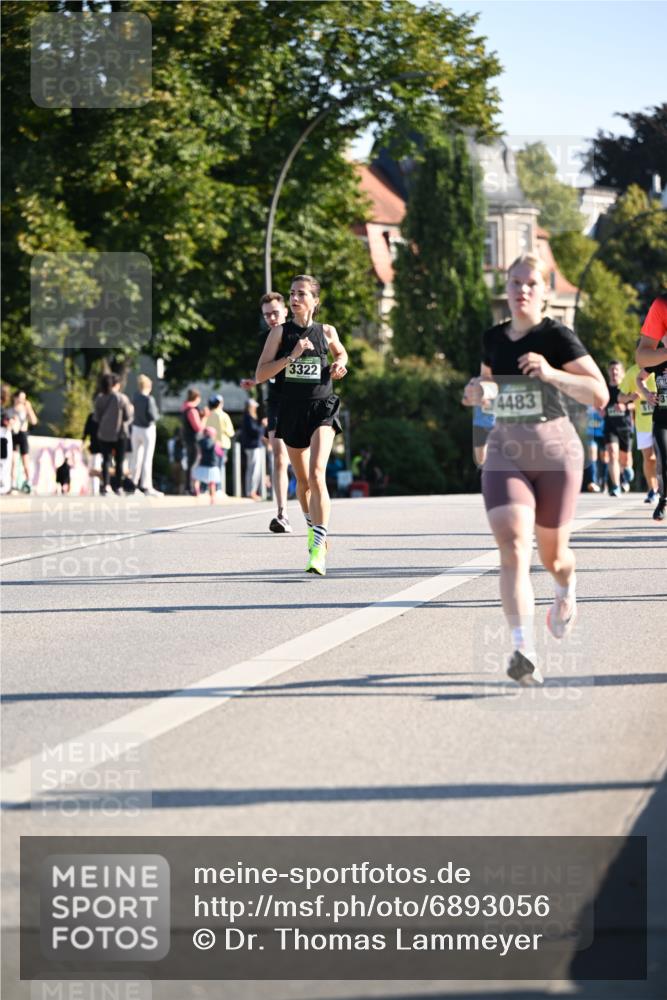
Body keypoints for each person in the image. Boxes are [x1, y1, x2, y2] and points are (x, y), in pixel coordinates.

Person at [462, 253, 608, 686]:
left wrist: (551, 373)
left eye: (530, 283)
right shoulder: (493, 338)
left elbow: (598, 394)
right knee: (512, 546)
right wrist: (477, 393)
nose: (522, 290)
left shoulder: (557, 337)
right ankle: (523, 650)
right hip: (506, 449)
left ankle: (566, 587)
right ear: (505, 289)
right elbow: (488, 386)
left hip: (556, 454)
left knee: (553, 558)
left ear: (544, 291)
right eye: (515, 282)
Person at [255, 273, 348, 576]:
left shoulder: (327, 330)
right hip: (292, 409)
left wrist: (339, 364)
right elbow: (261, 374)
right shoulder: (280, 334)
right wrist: (291, 356)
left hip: (322, 407)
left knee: (317, 473)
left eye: (301, 294)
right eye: (292, 293)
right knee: (303, 482)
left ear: (314, 300)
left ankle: (318, 547)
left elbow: (341, 352)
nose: (294, 299)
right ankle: (312, 530)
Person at [635, 292, 667, 522]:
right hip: (663, 414)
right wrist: (646, 393)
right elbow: (642, 361)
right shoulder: (661, 359)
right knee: (662, 459)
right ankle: (663, 499)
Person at [618, 349, 658, 503]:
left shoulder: (661, 368)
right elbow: (620, 398)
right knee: (649, 459)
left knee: (661, 458)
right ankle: (652, 489)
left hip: (661, 422)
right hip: (643, 425)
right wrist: (630, 397)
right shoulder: (632, 373)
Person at [93, 373, 133, 495]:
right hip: (120, 433)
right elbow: (127, 416)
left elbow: (96, 417)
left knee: (106, 460)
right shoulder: (122, 398)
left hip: (103, 433)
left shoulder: (99, 398)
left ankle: (106, 486)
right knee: (119, 461)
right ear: (116, 384)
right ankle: (118, 487)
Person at [603, 360, 634, 495]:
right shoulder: (604, 388)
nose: (614, 372)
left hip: (625, 427)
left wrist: (625, 406)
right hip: (610, 426)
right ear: (608, 372)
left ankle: (626, 471)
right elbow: (597, 401)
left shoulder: (626, 387)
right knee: (612, 453)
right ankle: (615, 486)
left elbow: (637, 403)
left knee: (625, 459)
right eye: (611, 369)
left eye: (617, 370)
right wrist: (600, 409)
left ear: (622, 372)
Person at [131, 374, 162, 496]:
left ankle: (133, 484)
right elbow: (154, 416)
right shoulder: (149, 399)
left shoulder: (135, 397)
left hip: (135, 428)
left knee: (136, 458)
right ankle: (146, 486)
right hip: (147, 429)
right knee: (147, 459)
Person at [8, 390, 37, 492]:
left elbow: (34, 421)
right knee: (14, 461)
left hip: (23, 435)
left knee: (25, 460)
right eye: (20, 397)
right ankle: (13, 484)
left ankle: (29, 481)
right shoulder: (10, 410)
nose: (22, 400)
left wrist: (29, 409)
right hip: (13, 435)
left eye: (24, 398)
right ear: (15, 398)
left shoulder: (26, 409)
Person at [205, 394, 235, 496]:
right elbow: (231, 432)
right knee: (219, 467)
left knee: (211, 466)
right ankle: (218, 488)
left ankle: (209, 488)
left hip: (210, 444)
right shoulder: (224, 415)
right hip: (223, 444)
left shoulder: (208, 415)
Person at [239, 398, 265, 500]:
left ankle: (251, 491)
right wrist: (262, 426)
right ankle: (251, 492)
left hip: (252, 446)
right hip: (253, 446)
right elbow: (256, 432)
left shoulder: (248, 417)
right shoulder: (248, 417)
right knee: (254, 470)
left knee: (252, 469)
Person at [181, 388, 205, 495]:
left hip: (188, 438)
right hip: (194, 439)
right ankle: (190, 487)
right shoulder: (192, 410)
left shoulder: (185, 408)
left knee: (191, 462)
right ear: (197, 398)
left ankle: (188, 487)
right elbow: (198, 427)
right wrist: (204, 418)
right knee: (194, 463)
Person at [193, 426, 221, 504]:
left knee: (196, 478)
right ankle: (212, 498)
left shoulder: (199, 442)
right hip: (212, 465)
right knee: (212, 483)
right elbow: (220, 453)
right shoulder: (215, 443)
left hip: (202, 463)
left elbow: (198, 453)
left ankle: (197, 491)